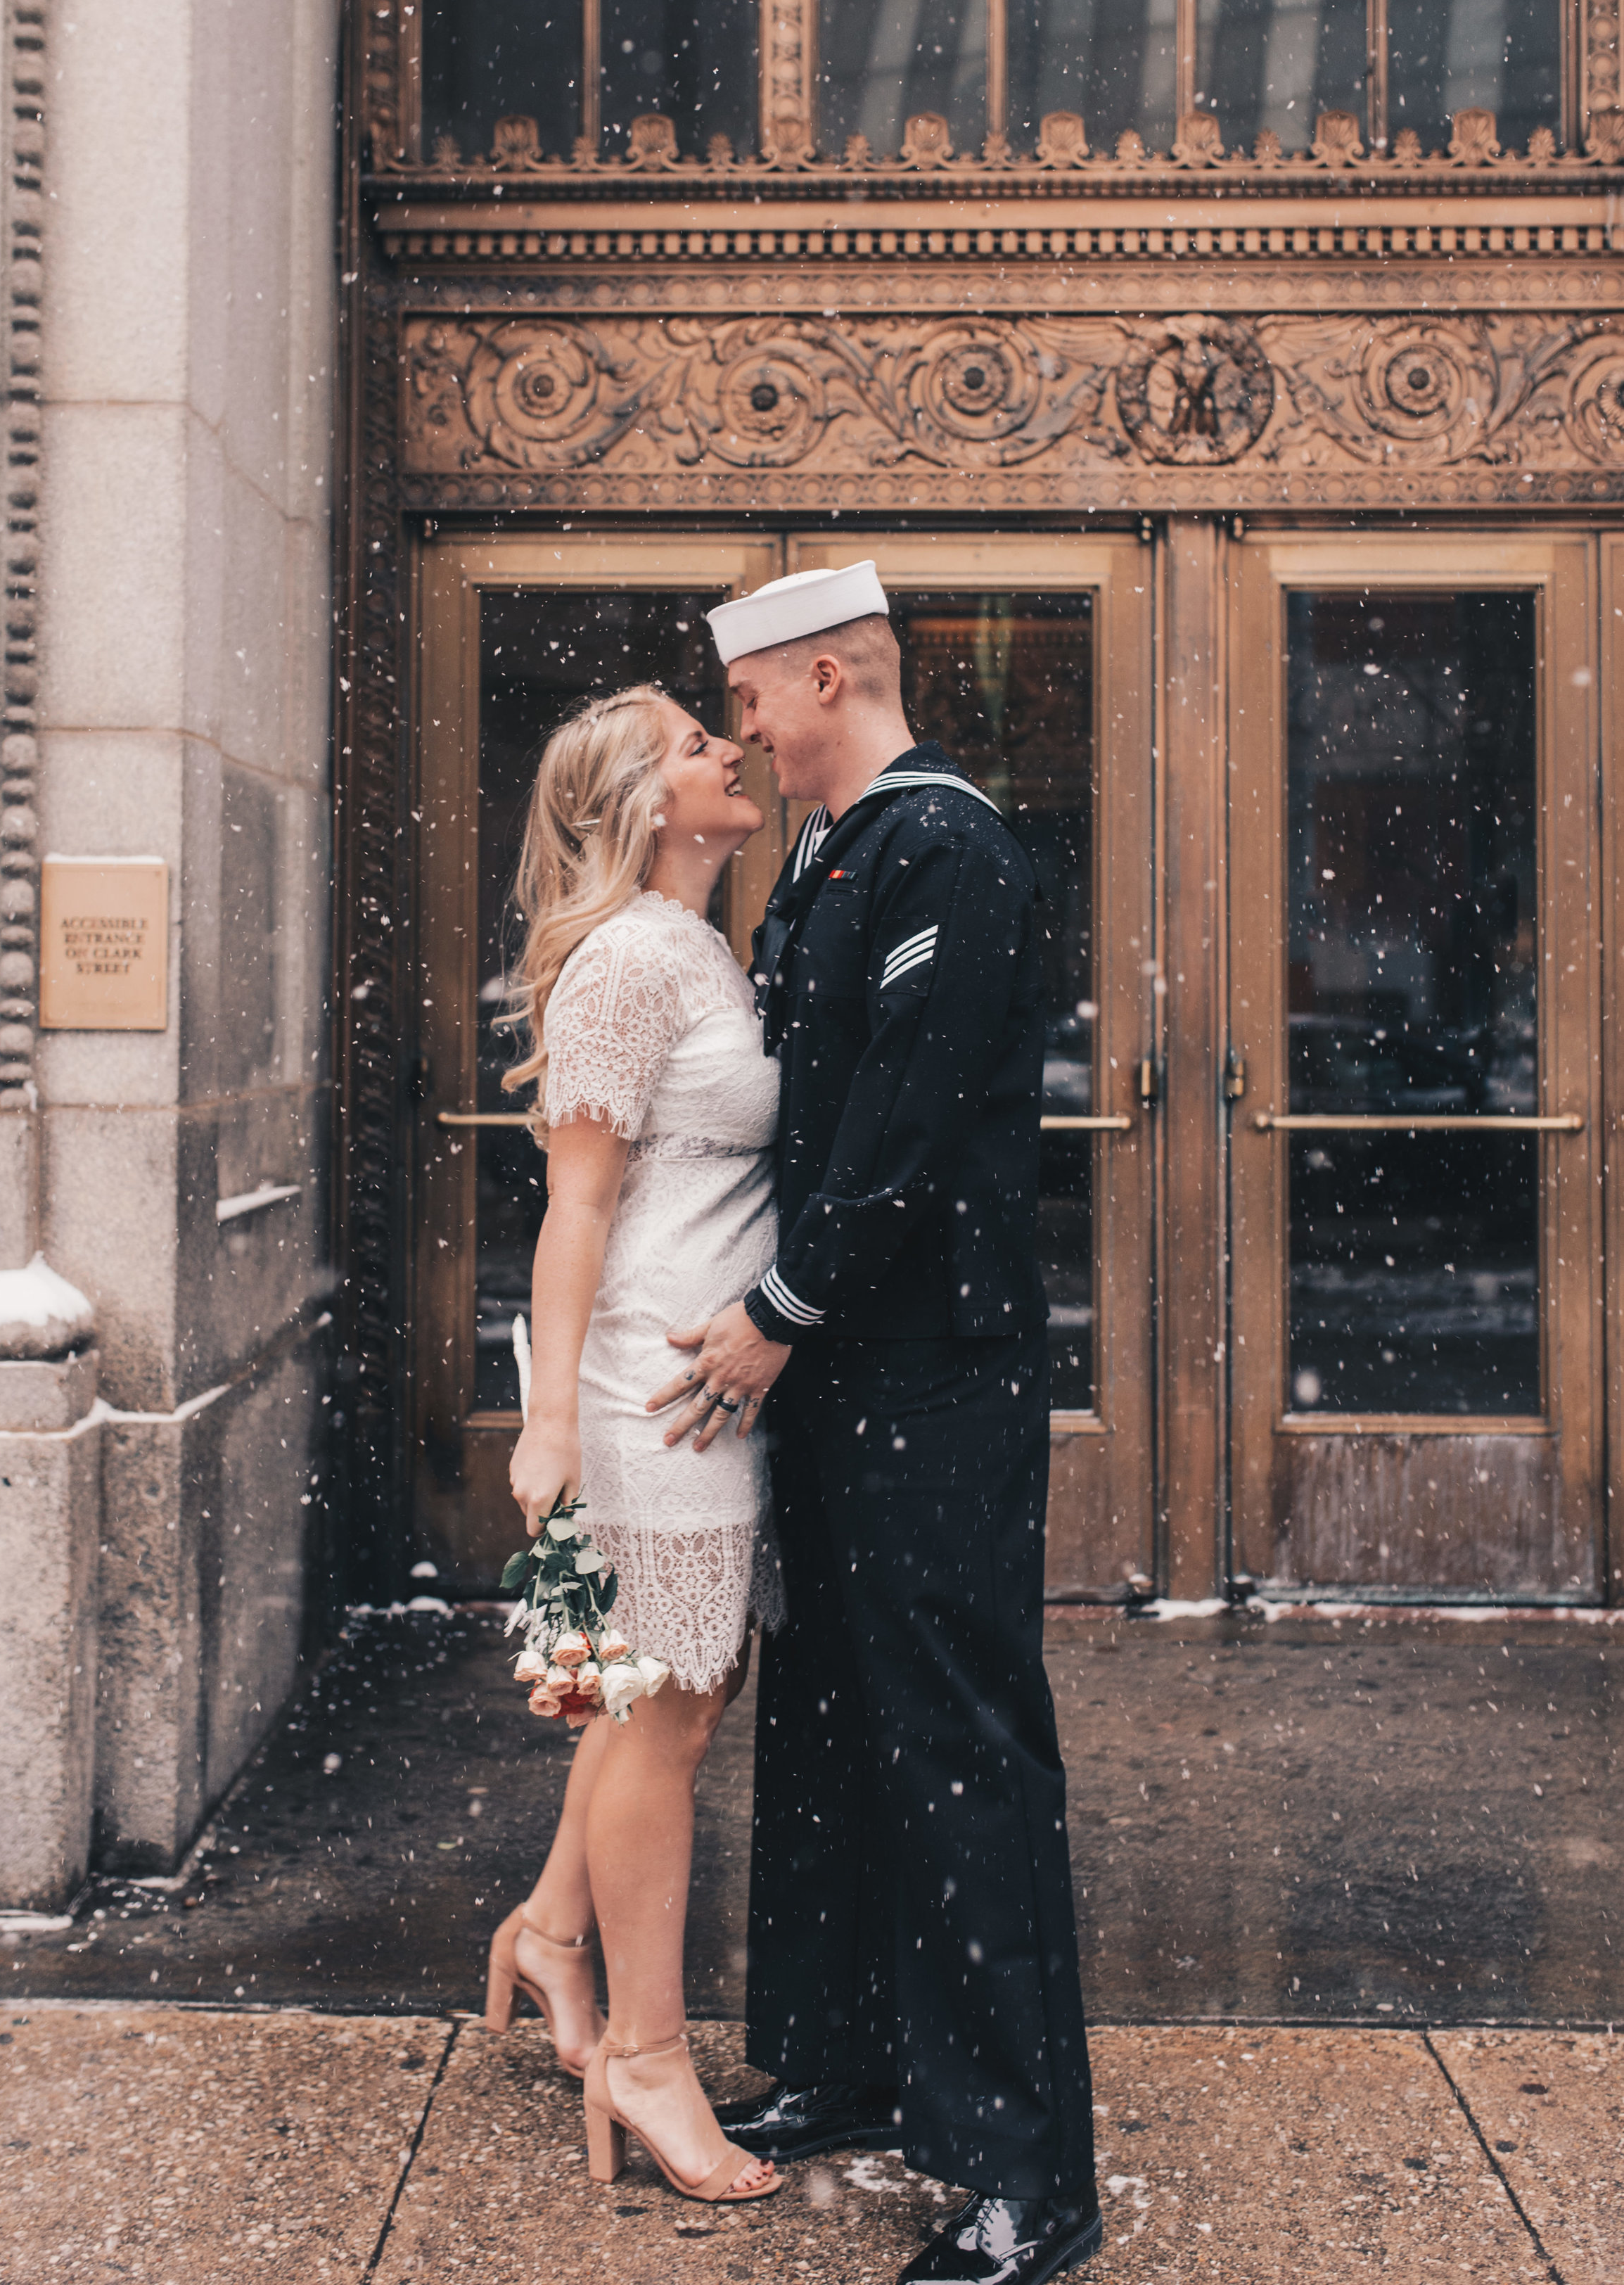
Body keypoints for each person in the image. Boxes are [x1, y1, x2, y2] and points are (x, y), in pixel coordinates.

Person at [646, 561, 1101, 2284]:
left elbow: (898, 1132)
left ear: (829, 675)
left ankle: (1024, 2178)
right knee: (832, 1732)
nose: (744, 728)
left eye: (754, 694)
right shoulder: (833, 859)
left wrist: (777, 1312)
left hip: (925, 1372)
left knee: (961, 1755)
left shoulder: (946, 847)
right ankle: (840, 2066)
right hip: (846, 1376)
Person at [487, 682, 784, 2208]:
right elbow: (576, 1203)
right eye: (691, 742)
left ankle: (548, 1934)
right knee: (664, 1707)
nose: (724, 747)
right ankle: (647, 2055)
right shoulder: (623, 961)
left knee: (668, 1691)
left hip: (708, 1384)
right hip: (654, 1396)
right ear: (647, 806)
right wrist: (548, 1429)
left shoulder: (698, 950)